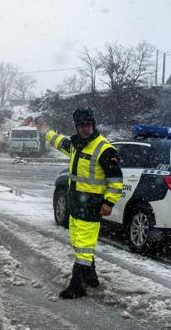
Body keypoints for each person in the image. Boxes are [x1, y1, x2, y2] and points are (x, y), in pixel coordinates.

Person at [36, 108, 123, 299]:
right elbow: (59, 141)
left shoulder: (104, 148)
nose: (86, 128)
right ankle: (91, 277)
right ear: (77, 126)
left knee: (84, 245)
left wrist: (109, 202)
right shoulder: (76, 144)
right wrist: (44, 131)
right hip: (76, 203)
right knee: (78, 242)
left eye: (89, 124)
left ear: (93, 124)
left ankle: (78, 285)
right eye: (82, 125)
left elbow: (116, 179)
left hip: (91, 205)